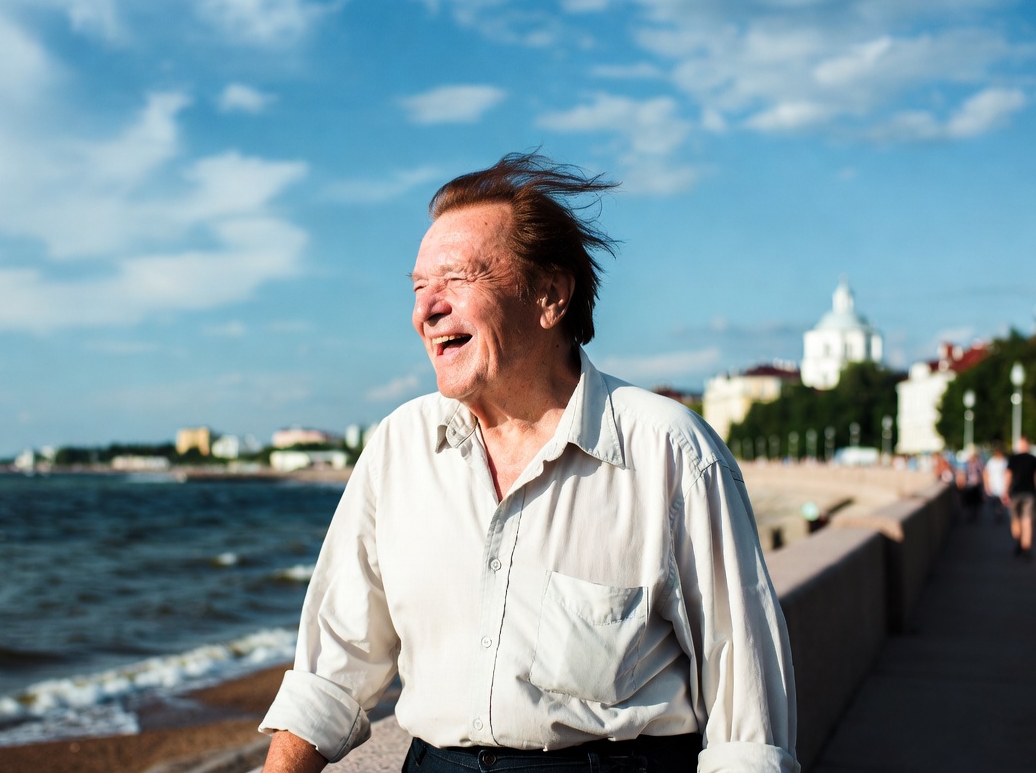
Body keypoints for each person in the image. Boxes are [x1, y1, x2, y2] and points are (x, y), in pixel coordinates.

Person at [257, 154, 799, 773]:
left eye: (456, 278)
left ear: (550, 296)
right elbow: (334, 667)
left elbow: (746, 711)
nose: (426, 310)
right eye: (418, 287)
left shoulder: (670, 451)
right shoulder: (398, 446)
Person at [1004, 436, 1036, 558]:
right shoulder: (1033, 459)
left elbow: (1008, 475)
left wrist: (1005, 491)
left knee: (1015, 519)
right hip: (1029, 493)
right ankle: (1026, 546)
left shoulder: (1013, 459)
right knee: (1027, 521)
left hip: (1015, 493)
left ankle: (1019, 542)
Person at [983, 444, 1009, 523]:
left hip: (1002, 486)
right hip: (994, 485)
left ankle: (999, 514)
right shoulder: (992, 462)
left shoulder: (1004, 461)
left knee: (1000, 503)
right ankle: (997, 514)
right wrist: (987, 485)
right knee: (994, 502)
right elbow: (986, 473)